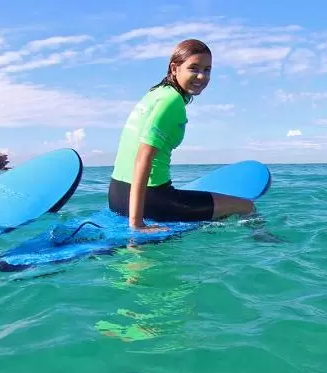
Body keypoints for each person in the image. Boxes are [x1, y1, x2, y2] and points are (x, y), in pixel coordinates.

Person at [109, 39, 255, 231]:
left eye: (207, 70)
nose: (202, 76)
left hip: (117, 195)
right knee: (246, 206)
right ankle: (266, 244)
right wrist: (137, 224)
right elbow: (143, 157)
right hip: (151, 200)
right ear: (174, 68)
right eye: (194, 68)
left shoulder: (155, 94)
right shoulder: (172, 101)